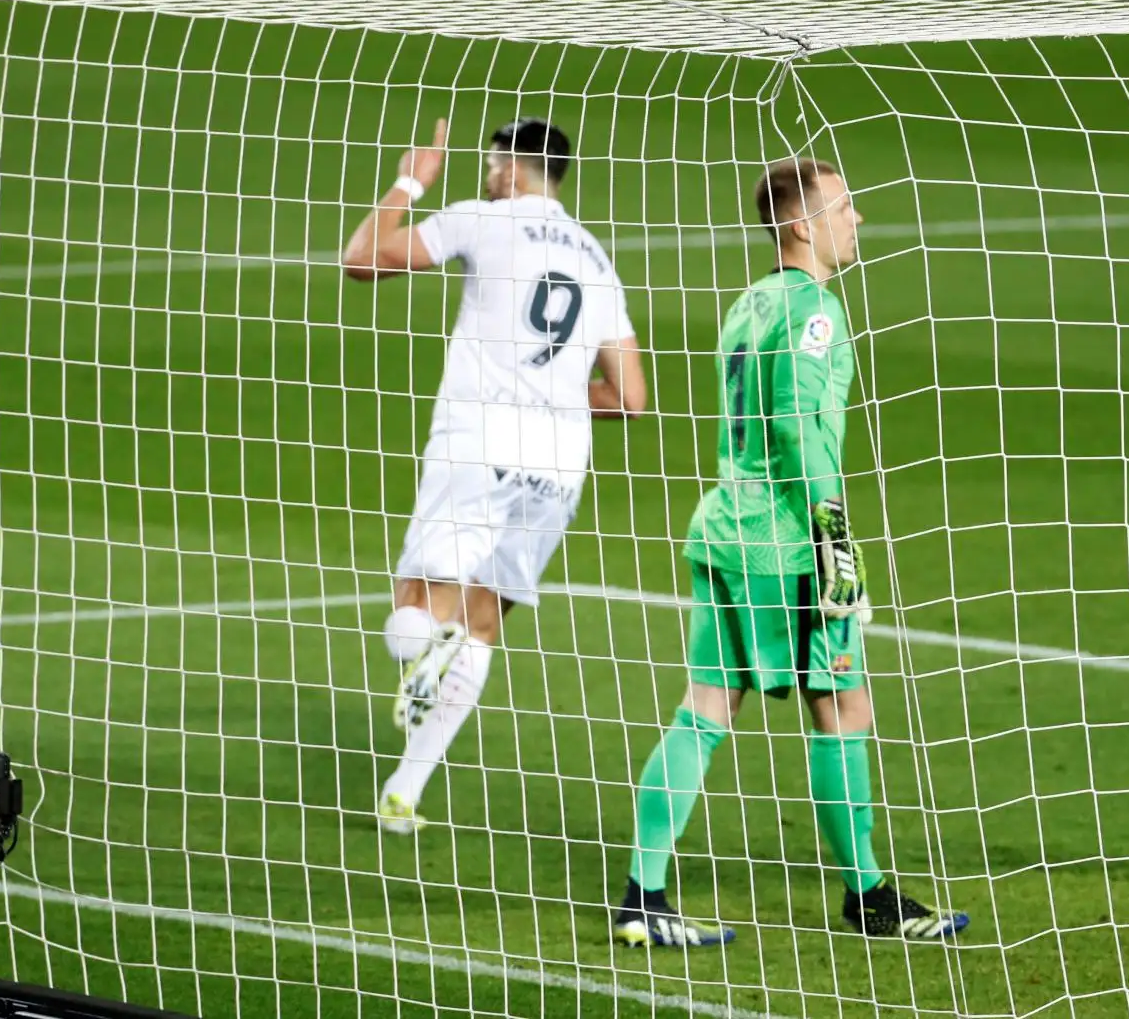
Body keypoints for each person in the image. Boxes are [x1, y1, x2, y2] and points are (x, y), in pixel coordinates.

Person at [611, 159, 968, 947]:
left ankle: (644, 895)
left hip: (724, 526)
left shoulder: (751, 301)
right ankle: (869, 897)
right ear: (802, 223)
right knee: (843, 709)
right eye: (844, 205)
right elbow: (796, 426)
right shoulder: (815, 311)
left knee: (705, 707)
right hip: (784, 544)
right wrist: (832, 533)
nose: (858, 218)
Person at [342, 117, 645, 834]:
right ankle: (404, 794)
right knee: (482, 625)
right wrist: (556, 403)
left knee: (418, 606)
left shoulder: (482, 218)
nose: (486, 174)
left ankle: (426, 651)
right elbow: (631, 397)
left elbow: (360, 259)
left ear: (510, 170)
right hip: (561, 462)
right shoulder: (597, 259)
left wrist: (412, 178)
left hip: (479, 440)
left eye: (489, 163)